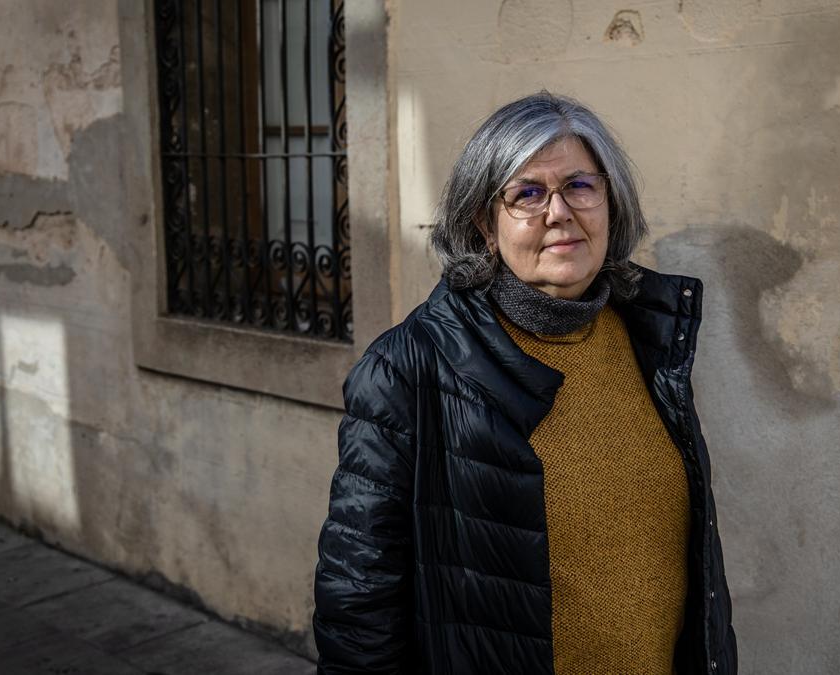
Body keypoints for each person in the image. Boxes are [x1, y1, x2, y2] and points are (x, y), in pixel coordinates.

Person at [313, 92, 737, 674]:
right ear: (485, 226)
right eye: (527, 194)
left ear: (611, 204)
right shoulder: (409, 367)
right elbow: (358, 595)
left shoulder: (648, 337)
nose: (558, 212)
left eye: (580, 187)